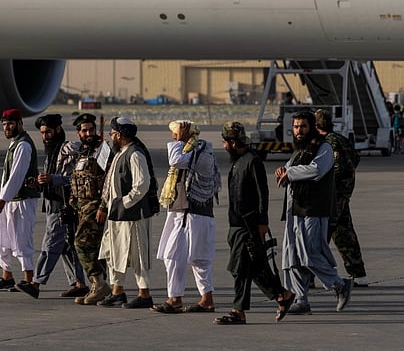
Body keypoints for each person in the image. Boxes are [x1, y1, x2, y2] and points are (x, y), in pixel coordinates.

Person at [214, 121, 295, 325]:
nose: (223, 146)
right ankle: (282, 295)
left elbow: (262, 193)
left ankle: (238, 311)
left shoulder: (252, 161)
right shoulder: (238, 160)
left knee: (239, 269)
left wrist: (262, 222)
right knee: (255, 266)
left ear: (232, 142)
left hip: (248, 224)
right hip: (236, 223)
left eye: (225, 142)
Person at [275, 110, 352, 315]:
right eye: (296, 127)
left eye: (303, 126)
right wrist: (283, 171)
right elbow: (289, 168)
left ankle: (339, 284)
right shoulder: (299, 150)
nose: (299, 131)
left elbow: (316, 170)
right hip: (295, 208)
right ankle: (300, 299)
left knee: (309, 253)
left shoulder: (323, 147)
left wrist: (289, 173)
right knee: (290, 256)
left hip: (313, 209)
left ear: (312, 127)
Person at [15, 114, 88, 299]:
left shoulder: (70, 149)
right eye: (42, 133)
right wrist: (38, 182)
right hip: (53, 204)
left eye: (48, 132)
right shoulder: (51, 151)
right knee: (67, 247)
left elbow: (78, 179)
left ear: (57, 130)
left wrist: (53, 179)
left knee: (50, 245)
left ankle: (36, 283)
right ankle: (79, 283)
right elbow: (49, 177)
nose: (45, 136)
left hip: (63, 206)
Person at [153, 120, 221, 314]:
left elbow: (175, 160)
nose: (174, 137)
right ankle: (175, 298)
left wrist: (181, 141)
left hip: (196, 215)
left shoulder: (202, 153)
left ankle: (206, 299)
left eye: (176, 133)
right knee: (172, 256)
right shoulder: (189, 151)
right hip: (179, 211)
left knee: (199, 259)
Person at [96, 117, 159, 309]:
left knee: (137, 254)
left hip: (133, 215)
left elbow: (142, 184)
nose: (111, 137)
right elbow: (109, 184)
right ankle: (117, 292)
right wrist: (105, 206)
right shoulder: (119, 153)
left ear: (120, 135)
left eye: (113, 134)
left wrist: (125, 202)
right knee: (114, 252)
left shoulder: (135, 154)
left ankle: (144, 294)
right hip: (117, 214)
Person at [313, 109, 369, 287]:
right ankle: (358, 274)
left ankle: (310, 276)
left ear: (316, 126)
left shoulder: (327, 143)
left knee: (319, 236)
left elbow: (336, 169)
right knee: (345, 234)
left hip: (332, 197)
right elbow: (355, 160)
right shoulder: (342, 139)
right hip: (343, 195)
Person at [0, 108, 40, 292]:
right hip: (10, 200)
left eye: (10, 124)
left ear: (19, 124)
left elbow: (17, 175)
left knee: (22, 239)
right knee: (1, 236)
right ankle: (6, 276)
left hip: (23, 200)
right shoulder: (14, 144)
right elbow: (6, 176)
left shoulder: (23, 145)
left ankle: (28, 279)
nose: (7, 127)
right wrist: (3, 197)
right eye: (4, 124)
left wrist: (3, 198)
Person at [70, 114, 113, 306]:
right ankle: (98, 287)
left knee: (81, 244)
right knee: (94, 248)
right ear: (78, 132)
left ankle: (98, 282)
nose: (88, 133)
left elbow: (109, 180)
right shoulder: (82, 152)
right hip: (81, 206)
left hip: (95, 206)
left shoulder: (101, 150)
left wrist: (103, 206)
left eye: (91, 130)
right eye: (84, 130)